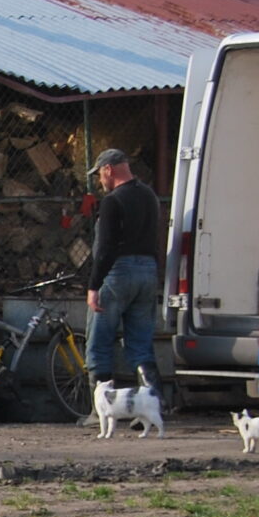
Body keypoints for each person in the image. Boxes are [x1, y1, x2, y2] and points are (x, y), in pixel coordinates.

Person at [85, 148, 164, 386]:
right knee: (141, 344)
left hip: (118, 272)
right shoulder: (150, 196)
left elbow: (106, 247)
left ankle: (100, 411)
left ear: (109, 169)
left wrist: (94, 285)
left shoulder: (112, 201)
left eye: (100, 174)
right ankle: (153, 405)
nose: (100, 180)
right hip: (148, 271)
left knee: (98, 342)